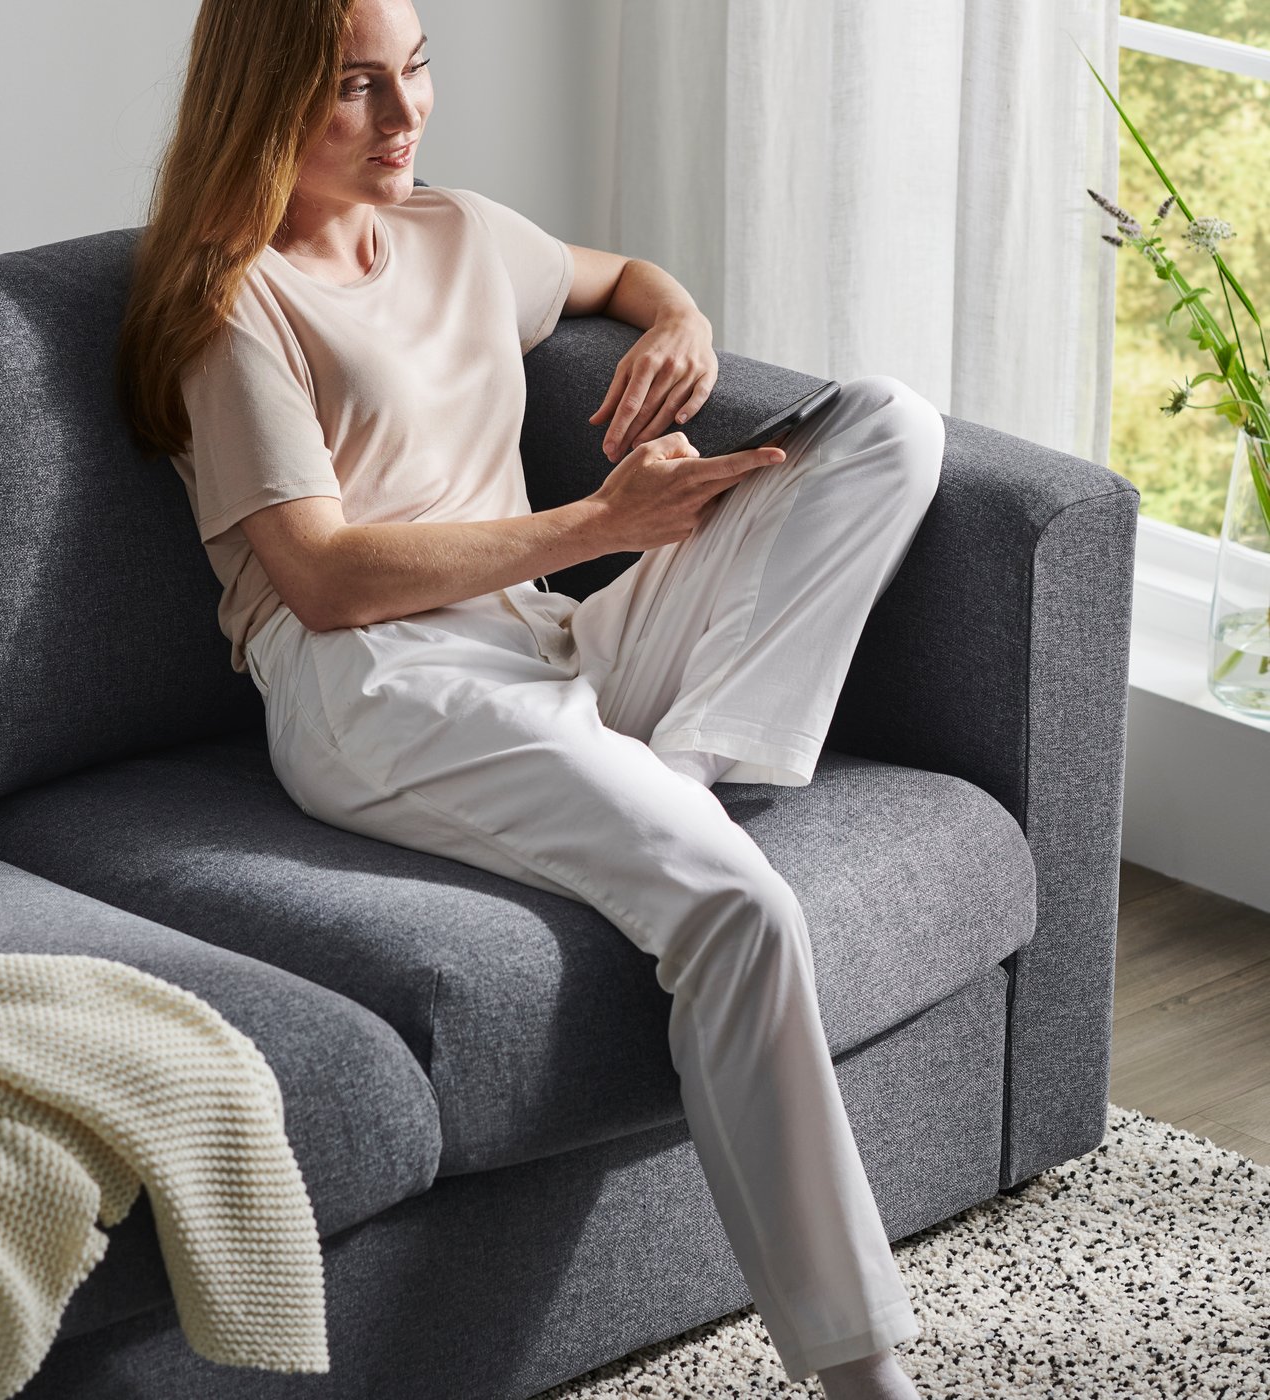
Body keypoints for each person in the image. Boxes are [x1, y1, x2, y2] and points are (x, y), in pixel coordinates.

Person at [116, 1, 945, 1395]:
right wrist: (602, 521)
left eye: (418, 69)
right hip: (379, 689)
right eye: (357, 90)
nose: (406, 115)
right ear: (264, 101)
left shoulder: (457, 233)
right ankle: (865, 1376)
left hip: (548, 643)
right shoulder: (230, 300)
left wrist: (679, 319)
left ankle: (683, 774)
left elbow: (618, 273)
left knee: (886, 426)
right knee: (740, 910)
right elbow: (318, 580)